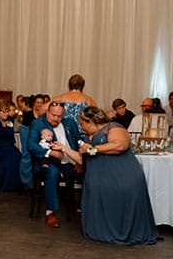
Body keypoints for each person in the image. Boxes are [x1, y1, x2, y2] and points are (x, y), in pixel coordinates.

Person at [67, 107, 158, 245]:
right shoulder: (87, 136)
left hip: (121, 174)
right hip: (98, 178)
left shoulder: (113, 127)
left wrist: (93, 149)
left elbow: (120, 145)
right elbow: (81, 159)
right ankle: (102, 232)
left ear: (90, 121)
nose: (81, 126)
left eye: (82, 123)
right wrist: (63, 148)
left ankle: (123, 232)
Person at [27, 101, 81, 228]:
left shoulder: (70, 123)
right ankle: (50, 212)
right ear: (48, 112)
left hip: (69, 161)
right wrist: (50, 152)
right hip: (47, 162)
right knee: (53, 172)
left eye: (59, 116)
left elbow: (78, 141)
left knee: (90, 172)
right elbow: (31, 145)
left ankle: (85, 210)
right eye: (53, 115)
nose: (56, 119)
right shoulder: (38, 124)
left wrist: (79, 159)